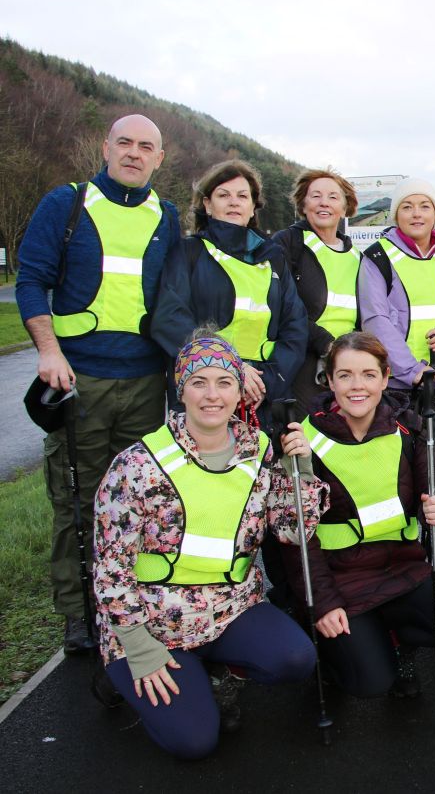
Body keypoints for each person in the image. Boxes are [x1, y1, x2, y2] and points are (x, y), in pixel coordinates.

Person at [92, 330, 324, 759]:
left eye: (224, 382)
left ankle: (216, 674)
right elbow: (110, 571)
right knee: (195, 741)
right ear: (181, 390)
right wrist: (141, 649)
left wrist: (302, 473)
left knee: (296, 658)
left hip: (230, 608)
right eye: (198, 382)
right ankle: (131, 673)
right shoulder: (137, 464)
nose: (212, 395)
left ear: (241, 390)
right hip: (154, 622)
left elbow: (293, 531)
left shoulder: (258, 450)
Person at [16, 114, 181, 653]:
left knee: (139, 501)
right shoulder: (64, 205)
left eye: (146, 147)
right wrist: (48, 351)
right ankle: (78, 613)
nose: (134, 154)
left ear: (160, 159)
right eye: (125, 143)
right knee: (78, 501)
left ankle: (131, 604)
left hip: (144, 383)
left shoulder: (168, 216)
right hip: (79, 379)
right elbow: (32, 280)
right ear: (106, 147)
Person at [283, 331, 435, 698]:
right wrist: (323, 603)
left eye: (369, 375)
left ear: (386, 378)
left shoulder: (408, 427)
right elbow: (296, 537)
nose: (358, 386)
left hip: (401, 566)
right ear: (330, 380)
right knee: (372, 684)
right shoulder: (304, 440)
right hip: (342, 578)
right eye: (345, 375)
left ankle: (391, 638)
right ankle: (326, 647)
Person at [152, 159, 308, 425]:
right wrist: (231, 370)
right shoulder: (189, 252)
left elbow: (295, 324)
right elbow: (169, 319)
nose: (234, 202)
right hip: (205, 389)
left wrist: (269, 380)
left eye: (242, 196)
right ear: (207, 205)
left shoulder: (274, 257)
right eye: (223, 195)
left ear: (252, 207)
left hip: (262, 393)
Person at [359, 178, 435, 395]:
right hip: (395, 383)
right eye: (407, 207)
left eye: (425, 206)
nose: (416, 213)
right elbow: (375, 319)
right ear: (396, 215)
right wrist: (411, 370)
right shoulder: (378, 256)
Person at [273, 167, 362, 412]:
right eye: (315, 196)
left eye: (333, 197)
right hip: (303, 360)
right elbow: (281, 303)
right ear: (302, 204)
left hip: (350, 359)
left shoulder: (358, 256)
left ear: (345, 208)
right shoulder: (287, 243)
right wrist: (325, 343)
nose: (324, 203)